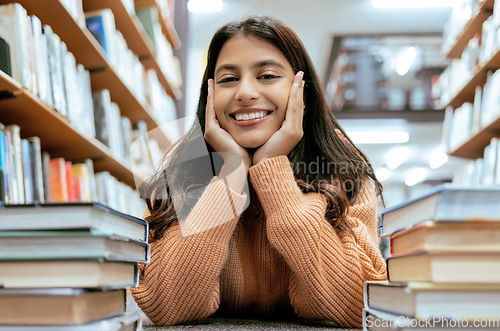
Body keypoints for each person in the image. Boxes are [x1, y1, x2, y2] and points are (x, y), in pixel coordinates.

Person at [131, 15, 387, 327]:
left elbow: (356, 308)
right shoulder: (182, 171)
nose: (245, 92)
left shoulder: (343, 172)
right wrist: (232, 175)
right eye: (228, 79)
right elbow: (166, 308)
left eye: (266, 76)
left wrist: (272, 172)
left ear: (300, 90)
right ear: (209, 96)